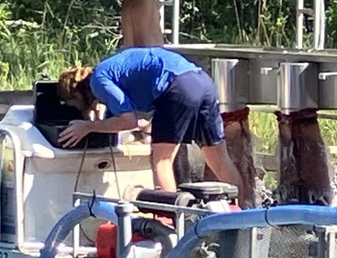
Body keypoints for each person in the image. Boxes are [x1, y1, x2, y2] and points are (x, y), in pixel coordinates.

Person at [56, 47, 243, 195]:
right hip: (202, 82)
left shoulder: (98, 79)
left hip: (177, 87)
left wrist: (88, 126)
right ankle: (244, 220)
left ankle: (171, 226)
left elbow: (127, 121)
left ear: (78, 93)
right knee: (220, 161)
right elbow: (139, 117)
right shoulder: (113, 66)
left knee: (161, 161)